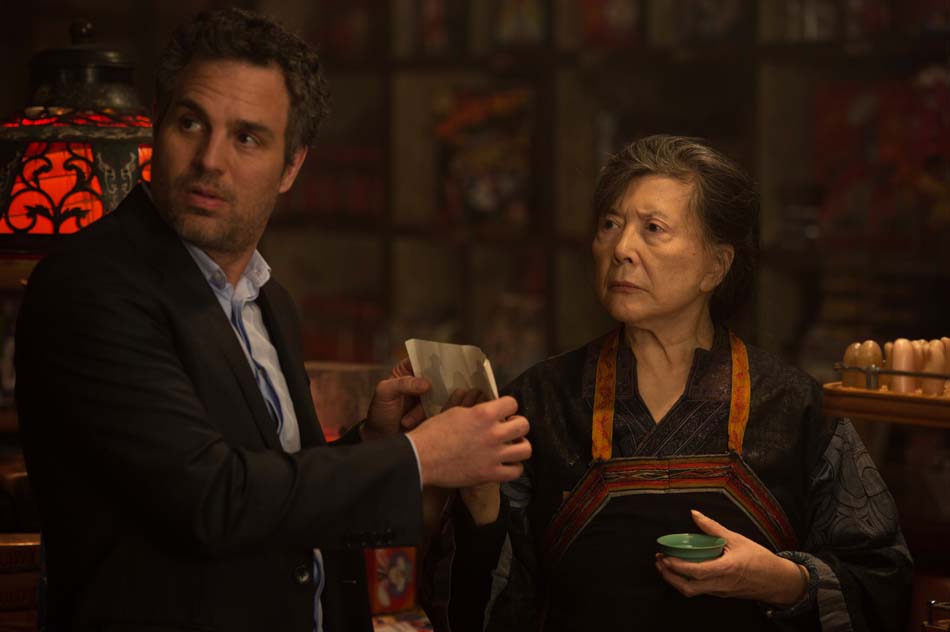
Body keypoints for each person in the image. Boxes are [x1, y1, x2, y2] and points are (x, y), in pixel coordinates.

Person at [14, 8, 531, 632]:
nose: (210, 159)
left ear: (291, 166)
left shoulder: (267, 298)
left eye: (247, 138)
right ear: (157, 124)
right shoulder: (89, 287)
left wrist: (373, 444)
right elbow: (211, 498)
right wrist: (419, 458)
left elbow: (277, 490)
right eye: (190, 123)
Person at [422, 135, 912, 631]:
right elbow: (472, 607)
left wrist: (783, 581)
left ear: (716, 267)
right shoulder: (540, 401)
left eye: (653, 229)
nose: (622, 249)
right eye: (610, 225)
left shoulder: (796, 408)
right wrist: (480, 500)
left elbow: (882, 582)